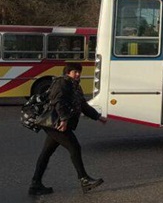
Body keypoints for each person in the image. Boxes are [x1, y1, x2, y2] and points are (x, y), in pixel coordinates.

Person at [29, 62, 107, 195]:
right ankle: (84, 179)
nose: (78, 74)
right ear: (67, 72)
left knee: (46, 153)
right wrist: (64, 119)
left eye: (79, 72)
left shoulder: (75, 86)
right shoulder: (62, 83)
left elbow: (82, 105)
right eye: (75, 72)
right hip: (56, 123)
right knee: (74, 147)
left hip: (57, 123)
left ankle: (35, 184)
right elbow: (58, 101)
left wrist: (97, 117)